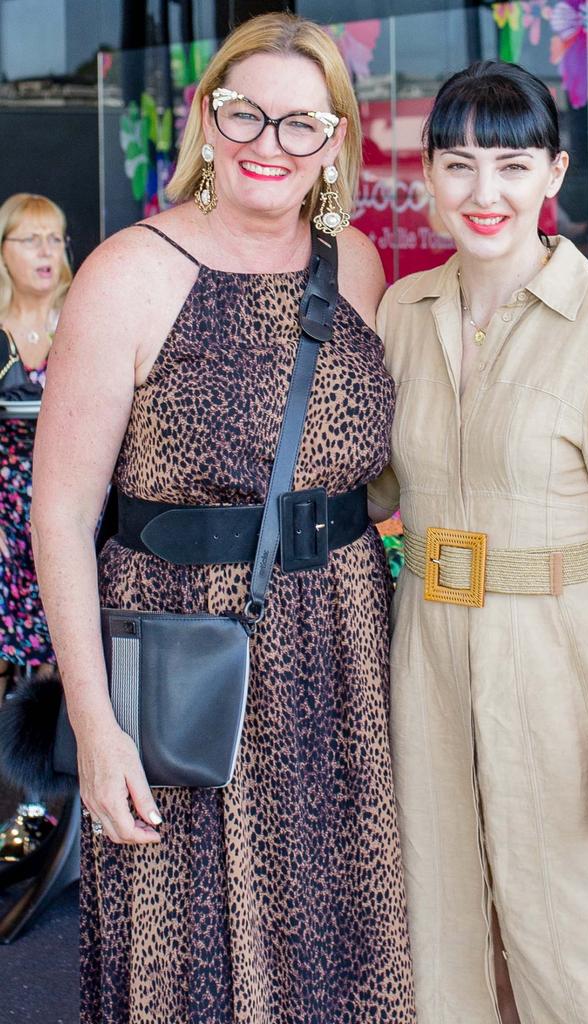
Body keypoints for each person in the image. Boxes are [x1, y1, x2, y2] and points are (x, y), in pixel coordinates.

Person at [31, 13, 414, 1023]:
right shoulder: (128, 271)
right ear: (208, 116)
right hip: (187, 657)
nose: (266, 144)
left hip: (344, 655)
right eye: (245, 113)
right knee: (189, 951)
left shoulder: (359, 264)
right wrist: (94, 721)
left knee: (348, 936)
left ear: (335, 139)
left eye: (299, 123)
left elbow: (369, 478)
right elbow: (61, 514)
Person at [369, 61, 588, 1023]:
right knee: (450, 948)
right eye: (461, 165)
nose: (486, 194)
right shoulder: (403, 312)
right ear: (426, 175)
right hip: (428, 657)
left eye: (513, 165)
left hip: (567, 658)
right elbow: (374, 489)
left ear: (555, 174)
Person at [0, 192, 71, 861]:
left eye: (55, 239)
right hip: (6, 515)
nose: (48, 253)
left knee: (67, 648)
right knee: (19, 656)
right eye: (31, 240)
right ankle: (25, 805)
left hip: (70, 509)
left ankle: (69, 799)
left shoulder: (82, 319)